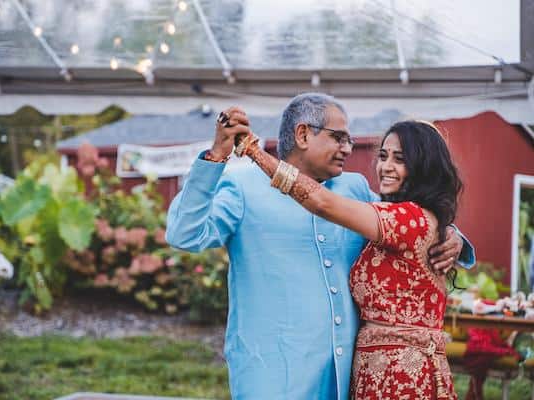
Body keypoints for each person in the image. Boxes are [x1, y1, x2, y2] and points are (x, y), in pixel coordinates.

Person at [166, 93, 474, 399]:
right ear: (302, 134)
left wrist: (451, 234)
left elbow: (409, 223)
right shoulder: (242, 186)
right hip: (273, 376)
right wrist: (216, 157)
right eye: (338, 138)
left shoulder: (354, 188)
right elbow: (184, 234)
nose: (347, 148)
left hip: (344, 378)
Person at [235, 118, 465, 398]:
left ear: (423, 167)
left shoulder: (412, 220)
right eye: (383, 156)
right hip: (373, 373)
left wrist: (254, 152)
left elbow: (322, 202)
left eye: (400, 159)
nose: (386, 167)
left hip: (405, 375)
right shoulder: (392, 218)